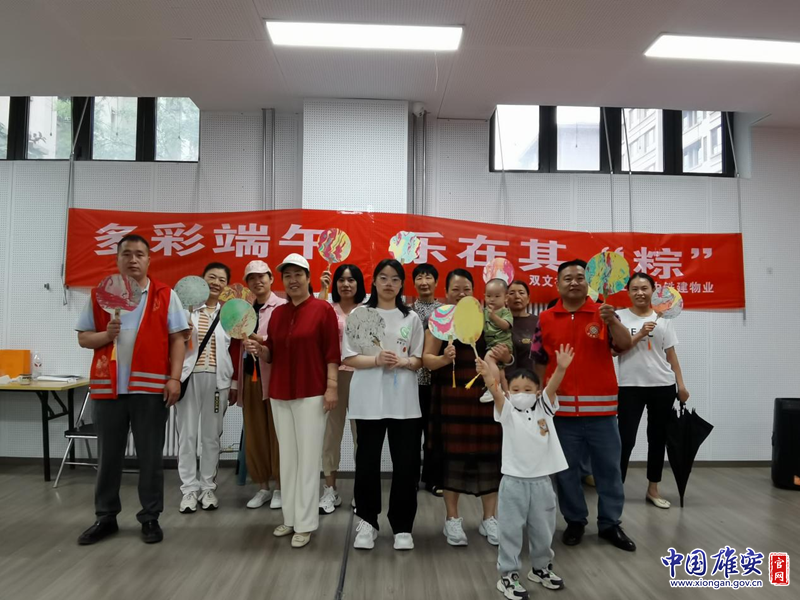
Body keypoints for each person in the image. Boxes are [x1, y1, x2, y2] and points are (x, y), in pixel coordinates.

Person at [76, 234, 188, 545]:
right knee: (108, 457)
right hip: (108, 388)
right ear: (117, 259)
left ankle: (150, 518)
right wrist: (105, 335)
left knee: (150, 458)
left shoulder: (165, 295)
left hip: (150, 389)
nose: (133, 259)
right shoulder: (100, 295)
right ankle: (105, 517)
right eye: (127, 254)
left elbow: (178, 339)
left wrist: (175, 378)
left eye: (139, 254)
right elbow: (83, 338)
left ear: (149, 260)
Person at [532, 259, 636, 552]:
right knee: (565, 473)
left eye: (580, 277)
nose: (574, 282)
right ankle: (575, 520)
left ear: (588, 282)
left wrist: (612, 321)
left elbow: (624, 345)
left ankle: (610, 523)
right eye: (568, 278)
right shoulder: (546, 318)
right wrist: (541, 395)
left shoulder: (604, 312)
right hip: (562, 412)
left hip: (602, 412)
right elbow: (539, 359)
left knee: (609, 470)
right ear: (558, 285)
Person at [250, 253, 340, 549]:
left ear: (308, 277)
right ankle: (290, 518)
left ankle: (306, 522)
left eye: (298, 274)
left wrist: (331, 387)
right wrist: (260, 349)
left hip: (312, 392)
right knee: (287, 458)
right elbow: (272, 352)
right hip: (280, 393)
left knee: (308, 459)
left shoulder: (323, 309)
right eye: (287, 276)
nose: (292, 280)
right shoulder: (278, 314)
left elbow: (332, 352)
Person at [476, 346, 574, 599]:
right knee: (510, 531)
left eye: (528, 390)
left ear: (537, 392)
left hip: (542, 482)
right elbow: (495, 390)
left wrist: (561, 368)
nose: (522, 394)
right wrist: (487, 375)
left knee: (543, 530)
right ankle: (507, 575)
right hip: (513, 483)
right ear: (509, 392)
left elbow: (552, 386)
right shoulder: (507, 411)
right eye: (516, 390)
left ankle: (541, 568)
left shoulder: (544, 408)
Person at [423, 269, 510, 547]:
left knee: (489, 456)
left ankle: (489, 518)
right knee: (453, 457)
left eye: (467, 290)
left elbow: (506, 353)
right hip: (451, 395)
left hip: (485, 396)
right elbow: (426, 360)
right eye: (455, 290)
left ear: (475, 293)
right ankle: (452, 519)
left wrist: (503, 355)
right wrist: (443, 358)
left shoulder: (486, 317)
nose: (461, 294)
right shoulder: (440, 319)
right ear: (446, 293)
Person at [344, 259, 425, 551]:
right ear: (375, 281)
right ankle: (367, 521)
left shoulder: (411, 318)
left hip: (404, 403)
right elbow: (349, 357)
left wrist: (404, 362)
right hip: (368, 401)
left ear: (402, 284)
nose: (389, 283)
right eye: (383, 277)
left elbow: (418, 359)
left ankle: (402, 526)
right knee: (367, 463)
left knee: (406, 465)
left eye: (395, 279)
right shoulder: (359, 314)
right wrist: (376, 360)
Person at [615, 273, 690, 509]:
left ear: (653, 291)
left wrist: (681, 384)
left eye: (644, 288)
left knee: (657, 439)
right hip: (630, 386)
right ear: (628, 292)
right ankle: (616, 489)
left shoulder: (664, 318)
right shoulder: (619, 317)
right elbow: (614, 350)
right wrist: (639, 334)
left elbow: (671, 355)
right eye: (635, 289)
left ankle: (653, 489)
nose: (640, 293)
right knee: (625, 440)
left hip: (662, 386)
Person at [177, 262, 238, 513]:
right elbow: (172, 344)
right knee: (187, 436)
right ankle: (189, 490)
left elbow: (235, 349)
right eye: (212, 277)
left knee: (211, 437)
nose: (216, 283)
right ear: (202, 280)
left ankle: (207, 488)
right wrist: (184, 333)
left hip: (217, 381)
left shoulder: (229, 314)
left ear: (226, 285)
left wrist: (234, 384)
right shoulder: (185, 311)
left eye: (222, 279)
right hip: (189, 378)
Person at [318, 263, 366, 514]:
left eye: (351, 280)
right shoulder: (327, 308)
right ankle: (330, 490)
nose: (346, 284)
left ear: (359, 284)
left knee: (362, 437)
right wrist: (322, 290)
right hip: (333, 377)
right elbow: (315, 330)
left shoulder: (367, 310)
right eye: (341, 280)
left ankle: (361, 491)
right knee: (331, 435)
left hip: (362, 377)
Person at [240, 260, 286, 510]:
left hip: (275, 376)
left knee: (277, 433)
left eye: (262, 276)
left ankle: (280, 486)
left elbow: (285, 341)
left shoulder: (282, 307)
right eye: (252, 278)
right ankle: (262, 487)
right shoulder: (244, 310)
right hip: (250, 377)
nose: (257, 281)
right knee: (255, 432)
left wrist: (261, 340)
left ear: (271, 279)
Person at [411, 263, 442, 495]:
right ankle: (411, 478)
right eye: (419, 278)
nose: (424, 282)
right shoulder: (407, 311)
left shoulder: (445, 311)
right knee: (411, 433)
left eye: (428, 277)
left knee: (435, 433)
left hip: (437, 380)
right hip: (412, 381)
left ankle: (433, 478)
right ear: (413, 283)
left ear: (436, 282)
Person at [479, 278, 514, 402]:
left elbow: (506, 325)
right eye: (488, 296)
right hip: (491, 344)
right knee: (500, 370)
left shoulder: (505, 312)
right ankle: (506, 394)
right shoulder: (485, 311)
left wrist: (493, 317)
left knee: (488, 359)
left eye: (497, 296)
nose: (492, 299)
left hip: (502, 344)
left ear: (506, 298)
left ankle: (493, 387)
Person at [507, 280, 538, 372]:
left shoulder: (538, 322)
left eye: (521, 293)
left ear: (528, 298)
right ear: (505, 298)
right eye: (512, 293)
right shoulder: (499, 322)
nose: (517, 296)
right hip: (504, 377)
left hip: (532, 377)